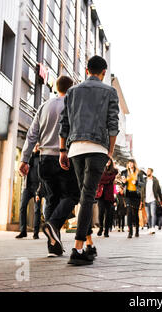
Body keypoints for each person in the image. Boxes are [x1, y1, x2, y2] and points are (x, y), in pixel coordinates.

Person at [59, 55, 119, 265]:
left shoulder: (73, 91)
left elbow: (64, 122)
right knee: (87, 197)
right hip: (97, 149)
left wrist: (62, 150)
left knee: (86, 196)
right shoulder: (109, 91)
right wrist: (109, 152)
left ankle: (89, 244)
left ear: (86, 71)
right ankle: (77, 250)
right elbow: (113, 124)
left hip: (75, 148)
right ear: (103, 73)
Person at [19, 76, 80, 257]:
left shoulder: (44, 106)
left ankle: (53, 246)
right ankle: (53, 225)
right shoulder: (72, 104)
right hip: (65, 157)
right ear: (71, 89)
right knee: (72, 195)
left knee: (52, 199)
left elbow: (32, 134)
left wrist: (25, 159)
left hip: (44, 159)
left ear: (56, 88)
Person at [16, 144, 42, 239]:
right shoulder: (28, 158)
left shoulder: (41, 158)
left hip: (37, 188)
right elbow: (21, 171)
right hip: (27, 186)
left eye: (38, 146)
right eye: (35, 145)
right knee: (22, 208)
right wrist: (20, 173)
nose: (36, 147)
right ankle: (23, 231)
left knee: (37, 210)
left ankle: (36, 233)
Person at [121, 159, 145, 238]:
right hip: (128, 195)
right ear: (128, 164)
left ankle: (137, 230)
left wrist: (137, 182)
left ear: (134, 164)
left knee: (135, 214)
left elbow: (143, 184)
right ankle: (130, 232)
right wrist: (123, 182)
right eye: (129, 163)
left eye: (132, 163)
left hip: (136, 195)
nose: (131, 164)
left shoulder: (139, 172)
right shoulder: (124, 172)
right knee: (129, 213)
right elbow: (122, 183)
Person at [96, 160, 118, 238]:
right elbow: (100, 179)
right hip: (101, 194)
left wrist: (104, 180)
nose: (108, 161)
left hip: (109, 195)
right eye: (106, 160)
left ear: (111, 162)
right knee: (101, 212)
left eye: (109, 160)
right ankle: (101, 228)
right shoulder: (100, 169)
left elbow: (109, 179)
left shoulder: (114, 171)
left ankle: (106, 231)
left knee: (108, 214)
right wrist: (106, 180)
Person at [140, 168, 162, 234]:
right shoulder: (144, 180)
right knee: (148, 215)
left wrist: (161, 200)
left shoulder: (155, 180)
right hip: (146, 200)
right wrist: (141, 200)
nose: (147, 172)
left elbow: (159, 190)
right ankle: (149, 228)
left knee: (153, 214)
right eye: (147, 171)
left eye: (149, 171)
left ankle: (153, 227)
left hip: (153, 199)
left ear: (152, 172)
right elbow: (142, 191)